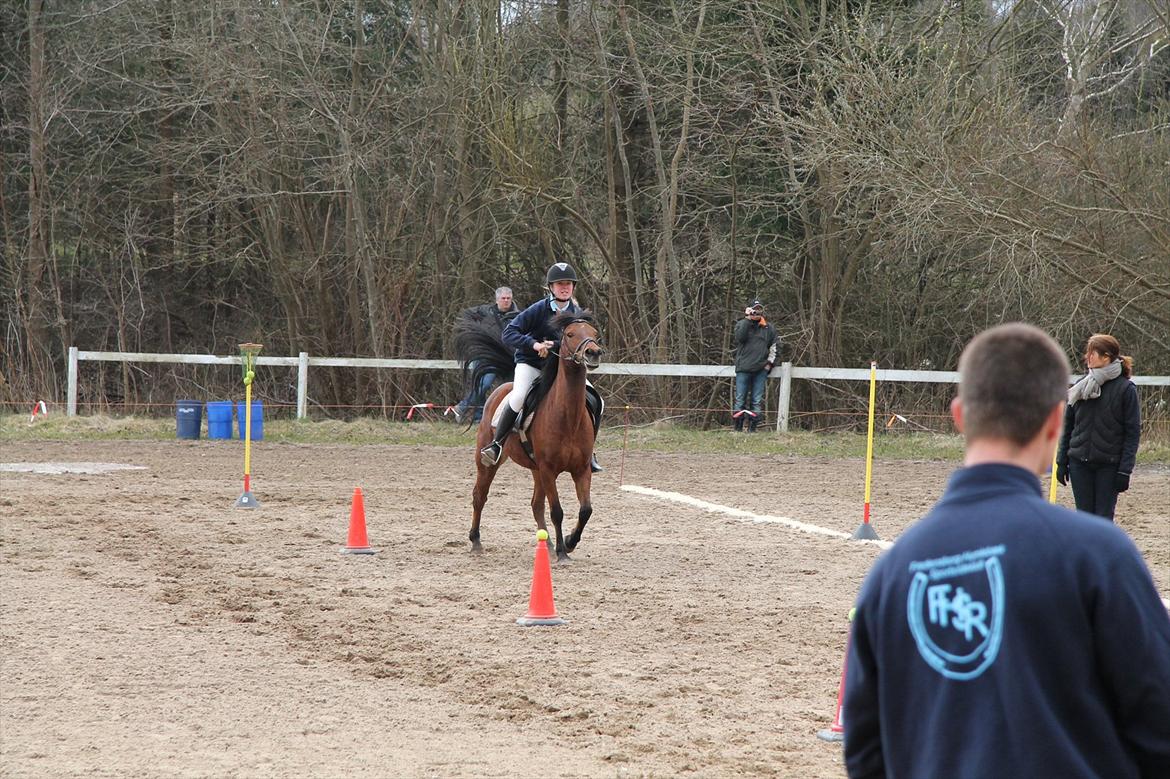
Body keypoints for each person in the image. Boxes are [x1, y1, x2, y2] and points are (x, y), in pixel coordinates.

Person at [843, 323, 1170, 779]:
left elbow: (865, 750)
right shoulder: (1100, 556)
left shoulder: (892, 572)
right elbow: (1158, 723)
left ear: (960, 416)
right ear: (1055, 421)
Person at [479, 262, 603, 472]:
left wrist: (555, 345)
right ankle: (496, 444)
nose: (564, 287)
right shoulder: (538, 309)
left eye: (568, 284)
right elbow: (509, 333)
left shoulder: (577, 313)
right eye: (559, 284)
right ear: (551, 287)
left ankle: (588, 451)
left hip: (560, 369)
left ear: (573, 287)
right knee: (518, 397)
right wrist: (534, 344)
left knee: (598, 400)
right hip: (531, 364)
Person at [1055, 333, 1141, 521]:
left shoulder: (1126, 389)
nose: (1087, 357)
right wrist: (1061, 461)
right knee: (1084, 518)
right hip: (1079, 463)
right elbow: (1068, 427)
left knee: (1103, 519)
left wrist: (1125, 470)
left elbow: (1132, 433)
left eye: (1092, 353)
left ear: (1106, 356)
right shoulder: (1080, 387)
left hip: (1109, 465)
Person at [453, 287, 520, 423]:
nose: (506, 301)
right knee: (484, 383)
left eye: (508, 298)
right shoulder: (485, 312)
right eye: (503, 298)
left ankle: (490, 418)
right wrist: (475, 335)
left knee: (508, 389)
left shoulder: (519, 316)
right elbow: (466, 315)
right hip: (487, 355)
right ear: (497, 300)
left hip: (508, 358)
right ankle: (466, 408)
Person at [731, 299, 777, 431]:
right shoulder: (742, 324)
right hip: (743, 368)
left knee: (756, 401)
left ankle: (752, 429)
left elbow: (775, 347)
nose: (757, 312)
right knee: (740, 400)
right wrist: (747, 319)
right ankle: (738, 429)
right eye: (754, 309)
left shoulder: (769, 328)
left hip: (761, 370)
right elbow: (740, 338)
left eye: (759, 309)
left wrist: (769, 364)